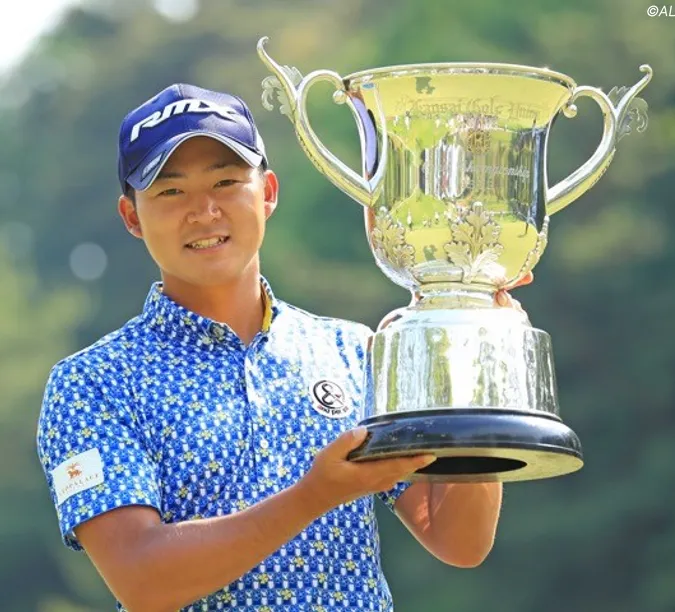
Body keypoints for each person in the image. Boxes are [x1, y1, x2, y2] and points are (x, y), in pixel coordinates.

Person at [36, 83, 531, 612]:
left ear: (267, 192)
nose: (204, 211)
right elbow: (141, 580)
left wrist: (476, 360)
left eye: (226, 182)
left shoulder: (351, 350)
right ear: (132, 216)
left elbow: (459, 539)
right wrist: (313, 496)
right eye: (171, 192)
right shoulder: (92, 383)